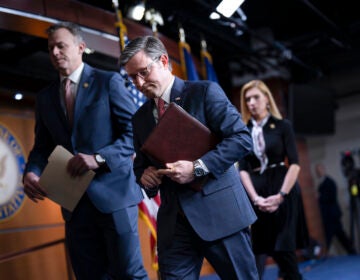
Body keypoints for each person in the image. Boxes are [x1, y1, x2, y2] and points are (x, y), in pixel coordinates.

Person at [119, 35, 259, 280]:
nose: (139, 83)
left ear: (163, 61)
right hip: (174, 226)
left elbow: (241, 139)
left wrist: (198, 167)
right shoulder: (139, 118)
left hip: (220, 214)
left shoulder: (204, 92)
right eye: (132, 77)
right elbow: (141, 169)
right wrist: (146, 177)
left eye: (143, 72)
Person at [22, 22, 148, 280]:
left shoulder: (108, 81)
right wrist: (31, 172)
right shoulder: (45, 98)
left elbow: (135, 133)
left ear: (80, 48)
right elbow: (42, 148)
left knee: (129, 274)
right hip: (74, 204)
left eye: (61, 45)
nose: (55, 52)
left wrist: (99, 158)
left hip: (115, 198)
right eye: (51, 48)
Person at [238, 80, 309, 280]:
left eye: (256, 97)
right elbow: (242, 170)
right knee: (262, 249)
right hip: (257, 194)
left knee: (285, 249)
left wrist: (281, 195)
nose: (251, 102)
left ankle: (291, 275)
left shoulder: (282, 126)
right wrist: (255, 199)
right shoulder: (242, 131)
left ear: (267, 99)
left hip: (283, 189)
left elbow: (294, 163)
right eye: (247, 99)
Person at [315, 163, 356, 255]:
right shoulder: (321, 183)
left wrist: (319, 197)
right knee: (334, 236)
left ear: (323, 170)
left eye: (320, 170)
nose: (318, 172)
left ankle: (351, 252)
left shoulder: (330, 182)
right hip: (327, 215)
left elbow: (331, 197)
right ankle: (351, 251)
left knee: (336, 235)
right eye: (317, 171)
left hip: (332, 215)